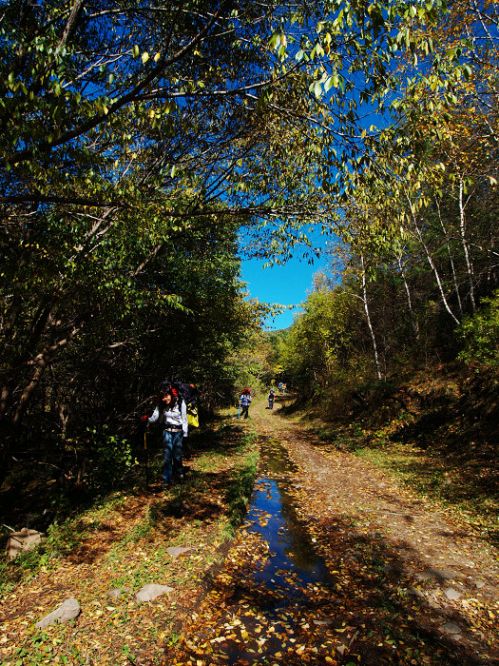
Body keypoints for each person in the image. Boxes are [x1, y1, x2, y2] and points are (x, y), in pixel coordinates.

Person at [141, 387, 188, 486]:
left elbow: (184, 419)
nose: (164, 399)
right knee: (167, 456)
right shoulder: (161, 405)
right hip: (167, 432)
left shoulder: (180, 403)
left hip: (178, 432)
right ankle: (166, 480)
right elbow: (155, 417)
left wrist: (185, 435)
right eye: (163, 397)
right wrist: (147, 419)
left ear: (172, 395)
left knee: (177, 456)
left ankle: (179, 474)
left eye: (166, 396)